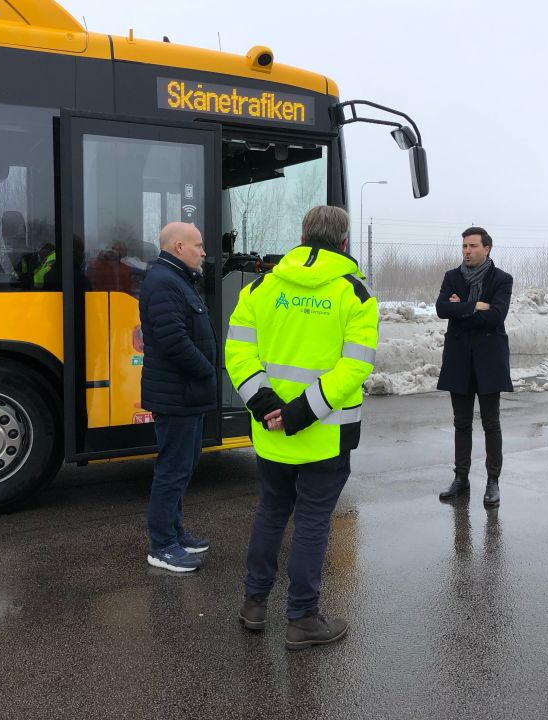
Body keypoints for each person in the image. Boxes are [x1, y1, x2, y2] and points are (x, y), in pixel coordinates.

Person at [225, 204, 378, 651]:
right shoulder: (356, 294)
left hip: (270, 432)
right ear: (344, 242)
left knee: (271, 511)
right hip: (325, 433)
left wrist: (266, 404)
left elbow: (238, 351)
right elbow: (355, 367)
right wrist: (303, 412)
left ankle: (254, 605)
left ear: (303, 235)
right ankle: (302, 618)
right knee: (312, 522)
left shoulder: (261, 285)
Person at [138, 222, 217, 572]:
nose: (203, 252)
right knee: (172, 470)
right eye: (198, 245)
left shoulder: (176, 280)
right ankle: (162, 545)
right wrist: (207, 369)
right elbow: (173, 341)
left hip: (185, 394)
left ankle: (175, 532)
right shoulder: (164, 282)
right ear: (179, 246)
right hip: (177, 395)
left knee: (183, 466)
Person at [435, 227, 514, 505]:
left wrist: (462, 309)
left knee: (491, 422)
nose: (466, 251)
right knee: (461, 422)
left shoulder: (502, 279)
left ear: (487, 248)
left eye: (472, 246)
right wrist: (474, 306)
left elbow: (496, 315)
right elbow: (442, 308)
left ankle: (493, 480)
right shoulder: (452, 277)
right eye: (464, 246)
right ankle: (461, 477)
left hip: (489, 360)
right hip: (459, 359)